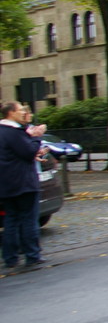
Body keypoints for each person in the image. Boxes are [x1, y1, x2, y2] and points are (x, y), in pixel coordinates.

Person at [1, 102, 48, 268]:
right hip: (23, 183)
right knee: (28, 219)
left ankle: (10, 257)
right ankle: (32, 255)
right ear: (11, 113)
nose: (23, 113)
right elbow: (27, 152)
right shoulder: (13, 132)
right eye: (20, 110)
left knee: (11, 220)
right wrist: (37, 137)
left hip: (6, 184)